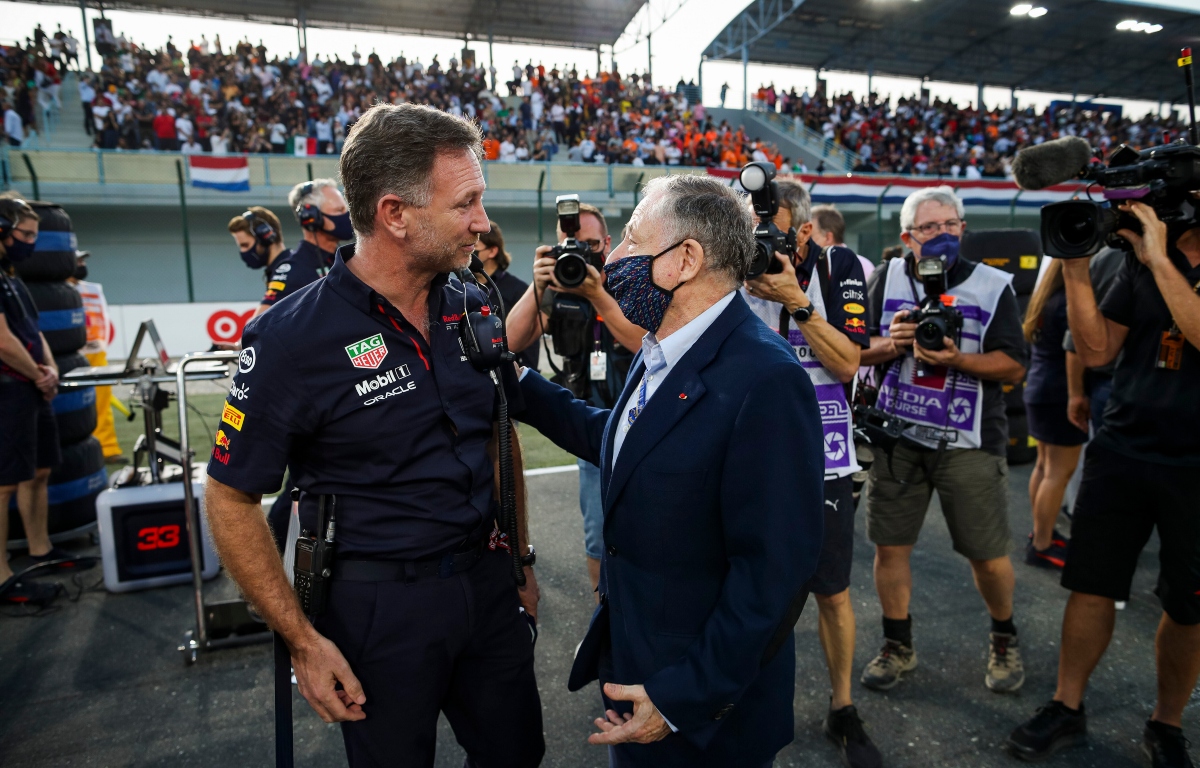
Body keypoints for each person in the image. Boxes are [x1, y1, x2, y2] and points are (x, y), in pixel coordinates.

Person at [204, 103, 544, 768]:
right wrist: (302, 639)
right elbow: (229, 498)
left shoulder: (473, 302)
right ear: (394, 214)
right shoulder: (290, 338)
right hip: (379, 607)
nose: (481, 221)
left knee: (516, 757)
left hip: (487, 583)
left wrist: (521, 560)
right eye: (466, 202)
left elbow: (496, 438)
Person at [516, 174, 825, 767]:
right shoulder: (664, 345)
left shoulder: (765, 379)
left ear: (685, 258)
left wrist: (681, 697)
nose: (615, 256)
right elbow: (623, 442)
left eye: (631, 240)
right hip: (638, 667)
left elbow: (774, 574)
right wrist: (519, 383)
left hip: (698, 712)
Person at [1007, 202, 1200, 766]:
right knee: (1091, 585)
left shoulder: (1153, 258)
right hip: (1122, 449)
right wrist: (1073, 263)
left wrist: (1160, 258)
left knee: (1188, 607)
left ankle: (1167, 725)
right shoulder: (1140, 262)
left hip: (1194, 465)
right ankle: (1067, 707)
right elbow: (1095, 349)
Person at [859, 186, 1029, 694]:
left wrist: (956, 359)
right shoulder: (887, 278)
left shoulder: (994, 285)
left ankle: (1004, 636)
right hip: (896, 436)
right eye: (930, 228)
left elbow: (1014, 364)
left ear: (963, 228)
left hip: (968, 440)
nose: (943, 236)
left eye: (951, 225)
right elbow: (852, 350)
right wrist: (893, 343)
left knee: (987, 553)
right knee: (890, 547)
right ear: (907, 237)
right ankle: (897, 644)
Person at [741, 180, 880, 767]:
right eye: (749, 226)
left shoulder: (838, 264)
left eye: (769, 228)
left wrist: (795, 299)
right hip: (749, 457)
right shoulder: (727, 267)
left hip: (824, 457)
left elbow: (848, 360)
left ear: (801, 231)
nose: (756, 240)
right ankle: (742, 700)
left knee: (833, 591)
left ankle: (843, 706)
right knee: (746, 587)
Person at [505, 202, 644, 596]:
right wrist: (538, 287)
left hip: (641, 418)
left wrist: (598, 294)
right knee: (599, 539)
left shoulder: (630, 283)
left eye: (591, 245)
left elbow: (642, 343)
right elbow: (510, 344)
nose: (582, 255)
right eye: (573, 246)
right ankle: (607, 627)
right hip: (592, 431)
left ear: (608, 243)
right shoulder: (559, 287)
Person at [0, 196, 93, 606]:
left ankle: (40, 550)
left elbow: (34, 333)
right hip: (9, 389)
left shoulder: (13, 277)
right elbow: (2, 340)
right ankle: (2, 574)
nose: (31, 243)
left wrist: (50, 367)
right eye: (25, 234)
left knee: (38, 472)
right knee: (3, 486)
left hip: (31, 387)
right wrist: (40, 373)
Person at [1019, 258, 1086, 569]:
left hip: (1039, 388)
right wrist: (1077, 395)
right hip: (1059, 392)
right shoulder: (1069, 303)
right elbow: (1075, 351)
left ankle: (1041, 533)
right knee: (1058, 473)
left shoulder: (1043, 299)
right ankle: (1043, 544)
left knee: (1045, 467)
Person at [473, 222, 539, 370]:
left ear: (492, 251)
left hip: (510, 374)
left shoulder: (519, 290)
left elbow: (530, 345)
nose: (470, 252)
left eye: (475, 248)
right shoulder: (462, 288)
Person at [226, 206, 290, 318]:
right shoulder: (282, 266)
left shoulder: (286, 269)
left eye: (245, 245)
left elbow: (257, 325)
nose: (243, 251)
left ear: (266, 237)